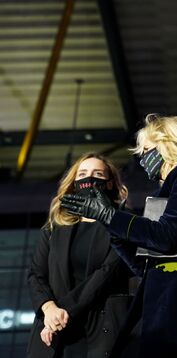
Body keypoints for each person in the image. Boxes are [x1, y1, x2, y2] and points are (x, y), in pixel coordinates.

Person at [61, 114, 177, 358]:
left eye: (146, 149)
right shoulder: (164, 190)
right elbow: (144, 264)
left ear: (168, 143)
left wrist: (111, 217)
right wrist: (112, 223)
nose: (142, 157)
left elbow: (167, 236)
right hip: (165, 298)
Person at [27, 153, 131, 358]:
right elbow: (35, 274)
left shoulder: (122, 223)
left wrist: (61, 313)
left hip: (96, 330)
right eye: (82, 173)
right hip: (52, 332)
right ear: (74, 183)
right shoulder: (55, 225)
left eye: (97, 174)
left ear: (109, 184)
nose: (88, 178)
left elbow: (105, 275)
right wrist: (48, 308)